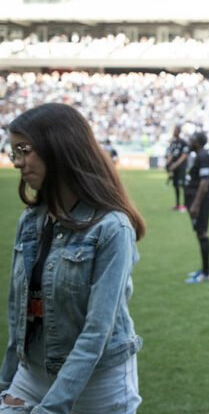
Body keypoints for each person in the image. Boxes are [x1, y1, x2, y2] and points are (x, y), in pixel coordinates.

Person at [0, 103, 145, 414]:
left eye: (24, 150)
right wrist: (5, 383)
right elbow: (18, 313)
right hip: (31, 374)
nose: (17, 162)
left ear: (58, 148)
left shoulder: (112, 228)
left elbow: (97, 331)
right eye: (13, 152)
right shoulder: (30, 221)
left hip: (98, 386)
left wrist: (50, 408)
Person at [184, 131, 209, 284]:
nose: (189, 142)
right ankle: (203, 270)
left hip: (201, 202)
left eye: (191, 139)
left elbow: (205, 182)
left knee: (202, 234)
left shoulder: (203, 156)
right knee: (199, 233)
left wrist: (196, 204)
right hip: (196, 201)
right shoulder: (198, 155)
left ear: (197, 142)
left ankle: (206, 273)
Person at [165, 125, 189, 212]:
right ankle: (178, 204)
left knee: (183, 185)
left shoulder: (183, 142)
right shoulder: (173, 143)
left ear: (178, 131)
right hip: (174, 168)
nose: (173, 132)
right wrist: (168, 164)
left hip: (181, 167)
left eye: (175, 130)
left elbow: (184, 156)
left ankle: (186, 205)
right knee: (175, 186)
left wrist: (175, 164)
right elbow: (171, 154)